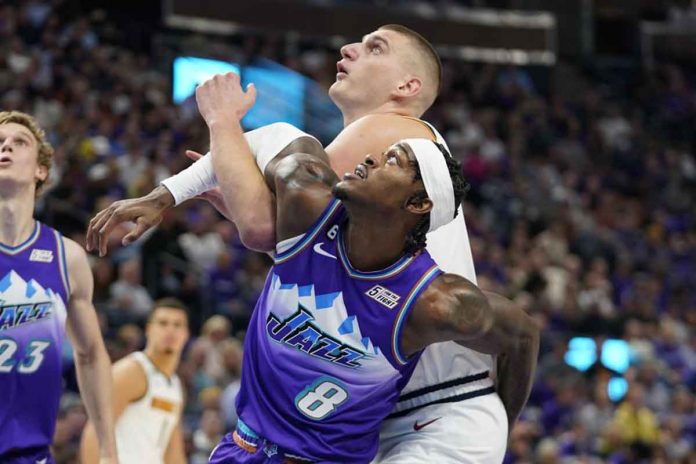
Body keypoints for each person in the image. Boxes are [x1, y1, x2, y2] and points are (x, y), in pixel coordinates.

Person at [87, 25, 534, 463]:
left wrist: (216, 133)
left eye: (375, 48)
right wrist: (180, 192)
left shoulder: (398, 133)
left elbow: (264, 215)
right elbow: (285, 229)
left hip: (443, 413)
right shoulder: (361, 196)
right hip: (377, 419)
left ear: (407, 85)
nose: (348, 48)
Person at [193, 72, 539, 463]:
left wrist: (502, 422)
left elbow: (523, 335)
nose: (371, 157)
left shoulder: (434, 301)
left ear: (418, 204)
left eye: (393, 160)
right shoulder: (304, 193)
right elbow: (279, 137)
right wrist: (180, 178)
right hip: (241, 449)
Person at [0, 111, 117, 463]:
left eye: (18, 142)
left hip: (31, 454)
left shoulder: (67, 257)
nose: (5, 147)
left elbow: (92, 354)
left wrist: (108, 449)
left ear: (41, 170)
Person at [80, 298, 190, 464]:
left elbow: (173, 453)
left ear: (186, 334)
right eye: (163, 323)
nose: (170, 330)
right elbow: (95, 433)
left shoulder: (174, 385)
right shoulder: (131, 371)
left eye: (177, 325)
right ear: (148, 329)